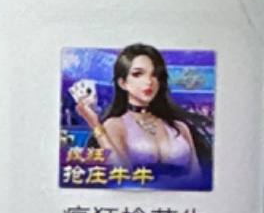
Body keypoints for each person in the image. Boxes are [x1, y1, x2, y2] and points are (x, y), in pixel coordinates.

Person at [70, 43, 209, 186]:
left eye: (154, 75)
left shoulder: (180, 128)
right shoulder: (115, 125)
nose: (148, 82)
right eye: (138, 74)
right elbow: (121, 174)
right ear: (123, 83)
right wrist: (95, 125)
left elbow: (198, 179)